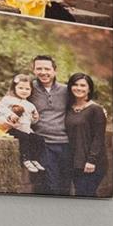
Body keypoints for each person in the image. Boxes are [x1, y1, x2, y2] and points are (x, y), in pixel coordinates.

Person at [26, 55, 71, 195]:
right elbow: (10, 102)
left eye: (47, 69)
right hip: (43, 143)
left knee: (66, 185)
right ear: (33, 70)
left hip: (66, 144)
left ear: (54, 71)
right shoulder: (29, 88)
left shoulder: (66, 90)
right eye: (39, 68)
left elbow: (83, 103)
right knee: (50, 185)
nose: (43, 72)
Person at [65, 72, 108, 197]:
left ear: (89, 89)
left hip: (92, 163)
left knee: (86, 195)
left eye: (83, 86)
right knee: (81, 194)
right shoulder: (69, 108)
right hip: (74, 161)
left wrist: (91, 160)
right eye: (75, 85)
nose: (79, 88)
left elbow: (99, 137)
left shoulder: (96, 109)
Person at [0, 73, 45, 173]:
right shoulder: (8, 99)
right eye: (20, 88)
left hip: (25, 128)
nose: (24, 91)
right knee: (24, 137)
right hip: (11, 128)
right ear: (14, 88)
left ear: (31, 90)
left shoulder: (30, 105)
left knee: (38, 139)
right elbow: (0, 108)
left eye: (27, 89)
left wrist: (35, 118)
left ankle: (35, 159)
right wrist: (10, 115)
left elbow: (32, 120)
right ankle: (25, 159)